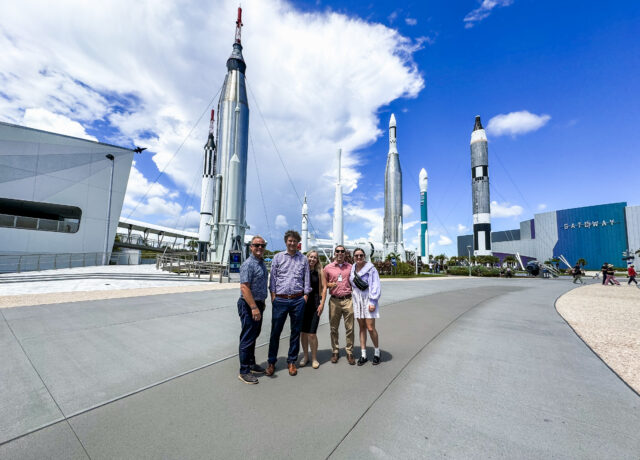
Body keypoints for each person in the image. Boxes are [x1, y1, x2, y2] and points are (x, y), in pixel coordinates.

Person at [266, 230, 311, 377]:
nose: (292, 243)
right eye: (289, 241)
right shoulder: (278, 257)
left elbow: (306, 278)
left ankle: (291, 361)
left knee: (295, 332)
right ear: (286, 242)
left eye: (294, 241)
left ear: (298, 243)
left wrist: (305, 295)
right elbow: (273, 277)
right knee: (275, 332)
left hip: (298, 300)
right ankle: (271, 362)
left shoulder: (303, 259)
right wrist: (273, 295)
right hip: (280, 299)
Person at [237, 236, 268, 384]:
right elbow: (244, 287)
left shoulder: (261, 263)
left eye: (262, 245)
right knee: (247, 337)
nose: (260, 248)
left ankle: (251, 363)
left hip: (258, 305)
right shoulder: (248, 264)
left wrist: (261, 304)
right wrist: (254, 307)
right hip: (249, 305)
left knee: (254, 335)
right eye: (257, 245)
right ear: (251, 246)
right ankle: (244, 371)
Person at [350, 248, 382, 366]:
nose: (359, 257)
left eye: (361, 255)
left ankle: (377, 352)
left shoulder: (371, 268)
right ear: (353, 257)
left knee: (370, 327)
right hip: (357, 298)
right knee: (361, 327)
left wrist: (373, 301)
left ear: (364, 256)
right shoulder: (353, 268)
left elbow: (375, 284)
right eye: (356, 255)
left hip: (368, 298)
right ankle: (363, 354)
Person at [324, 245, 356, 365]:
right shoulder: (328, 268)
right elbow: (323, 284)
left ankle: (349, 351)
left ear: (344, 253)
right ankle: (335, 350)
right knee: (333, 328)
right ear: (335, 253)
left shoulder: (350, 267)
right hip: (334, 301)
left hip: (348, 300)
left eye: (342, 251)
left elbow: (355, 282)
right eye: (338, 251)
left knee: (350, 328)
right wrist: (328, 285)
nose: (340, 253)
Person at [299, 250, 326, 369]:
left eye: (315, 257)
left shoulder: (320, 271)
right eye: (310, 257)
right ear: (307, 257)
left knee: (312, 334)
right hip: (302, 305)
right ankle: (306, 357)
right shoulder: (302, 270)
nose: (312, 259)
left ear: (317, 260)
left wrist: (322, 303)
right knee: (303, 333)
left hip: (315, 305)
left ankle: (314, 358)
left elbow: (324, 287)